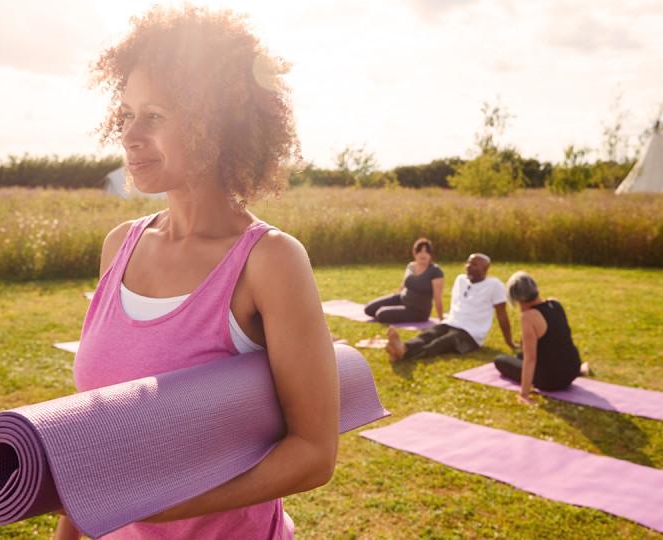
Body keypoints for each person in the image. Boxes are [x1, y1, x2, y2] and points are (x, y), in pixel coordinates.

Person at [58, 6, 338, 539]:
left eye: (155, 116)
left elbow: (314, 453)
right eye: (126, 114)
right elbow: (95, 439)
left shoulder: (270, 262)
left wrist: (168, 504)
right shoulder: (119, 245)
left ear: (215, 121)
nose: (129, 134)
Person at [385, 253, 515, 362]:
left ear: (486, 268)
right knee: (428, 334)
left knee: (440, 343)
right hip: (451, 323)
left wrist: (510, 342)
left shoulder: (494, 285)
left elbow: (502, 315)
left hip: (470, 334)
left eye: (474, 264)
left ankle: (403, 354)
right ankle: (403, 347)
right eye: (468, 262)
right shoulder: (460, 280)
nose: (468, 266)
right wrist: (445, 319)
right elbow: (456, 305)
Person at [493, 271, 586, 404]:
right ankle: (580, 370)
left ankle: (531, 384)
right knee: (520, 355)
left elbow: (530, 359)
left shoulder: (528, 317)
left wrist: (524, 394)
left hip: (550, 380)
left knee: (500, 360)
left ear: (516, 298)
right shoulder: (555, 303)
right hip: (572, 370)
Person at [363, 238, 444, 324]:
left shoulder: (435, 271)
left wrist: (441, 319)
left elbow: (437, 298)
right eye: (420, 251)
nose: (423, 254)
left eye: (426, 251)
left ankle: (396, 312)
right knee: (368, 308)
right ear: (415, 253)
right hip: (401, 299)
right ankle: (397, 310)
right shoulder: (411, 266)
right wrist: (393, 300)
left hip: (418, 311)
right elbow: (404, 285)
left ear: (430, 255)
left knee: (381, 314)